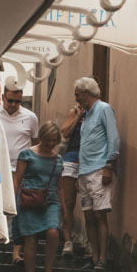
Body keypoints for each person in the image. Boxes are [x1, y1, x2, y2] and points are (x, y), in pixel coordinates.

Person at [71, 76, 119, 269]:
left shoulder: (104, 109)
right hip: (84, 171)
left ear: (87, 93)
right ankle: (93, 255)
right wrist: (78, 173)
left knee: (100, 215)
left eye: (78, 95)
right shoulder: (87, 114)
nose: (76, 99)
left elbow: (113, 138)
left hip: (99, 169)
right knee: (88, 215)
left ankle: (102, 258)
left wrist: (109, 165)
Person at [10, 121, 64, 272]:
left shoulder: (58, 159)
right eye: (48, 140)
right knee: (31, 239)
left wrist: (65, 210)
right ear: (41, 137)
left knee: (53, 232)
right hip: (28, 200)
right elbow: (17, 179)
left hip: (51, 201)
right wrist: (12, 202)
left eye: (54, 140)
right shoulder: (26, 155)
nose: (51, 144)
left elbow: (60, 185)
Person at [0, 84, 39, 262]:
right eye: (10, 100)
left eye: (18, 101)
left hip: (22, 170)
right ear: (4, 97)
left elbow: (36, 143)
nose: (13, 104)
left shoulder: (30, 117)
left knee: (19, 209)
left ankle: (15, 248)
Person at [57, 102, 84, 256]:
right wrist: (78, 116)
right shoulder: (74, 112)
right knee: (67, 203)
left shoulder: (99, 112)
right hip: (71, 157)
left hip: (89, 160)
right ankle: (68, 241)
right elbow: (65, 132)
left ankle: (90, 246)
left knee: (91, 208)